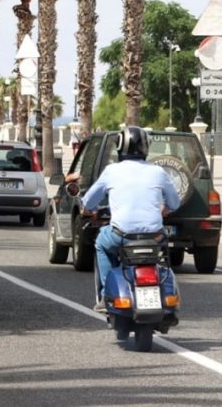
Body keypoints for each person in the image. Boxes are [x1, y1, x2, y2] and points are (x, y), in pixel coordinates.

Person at [77, 126, 181, 312]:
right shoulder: (158, 172)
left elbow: (88, 203)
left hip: (121, 235)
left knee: (101, 243)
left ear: (120, 149)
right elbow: (174, 203)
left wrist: (88, 210)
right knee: (161, 260)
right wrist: (163, 209)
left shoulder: (111, 171)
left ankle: (105, 296)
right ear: (145, 148)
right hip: (154, 237)